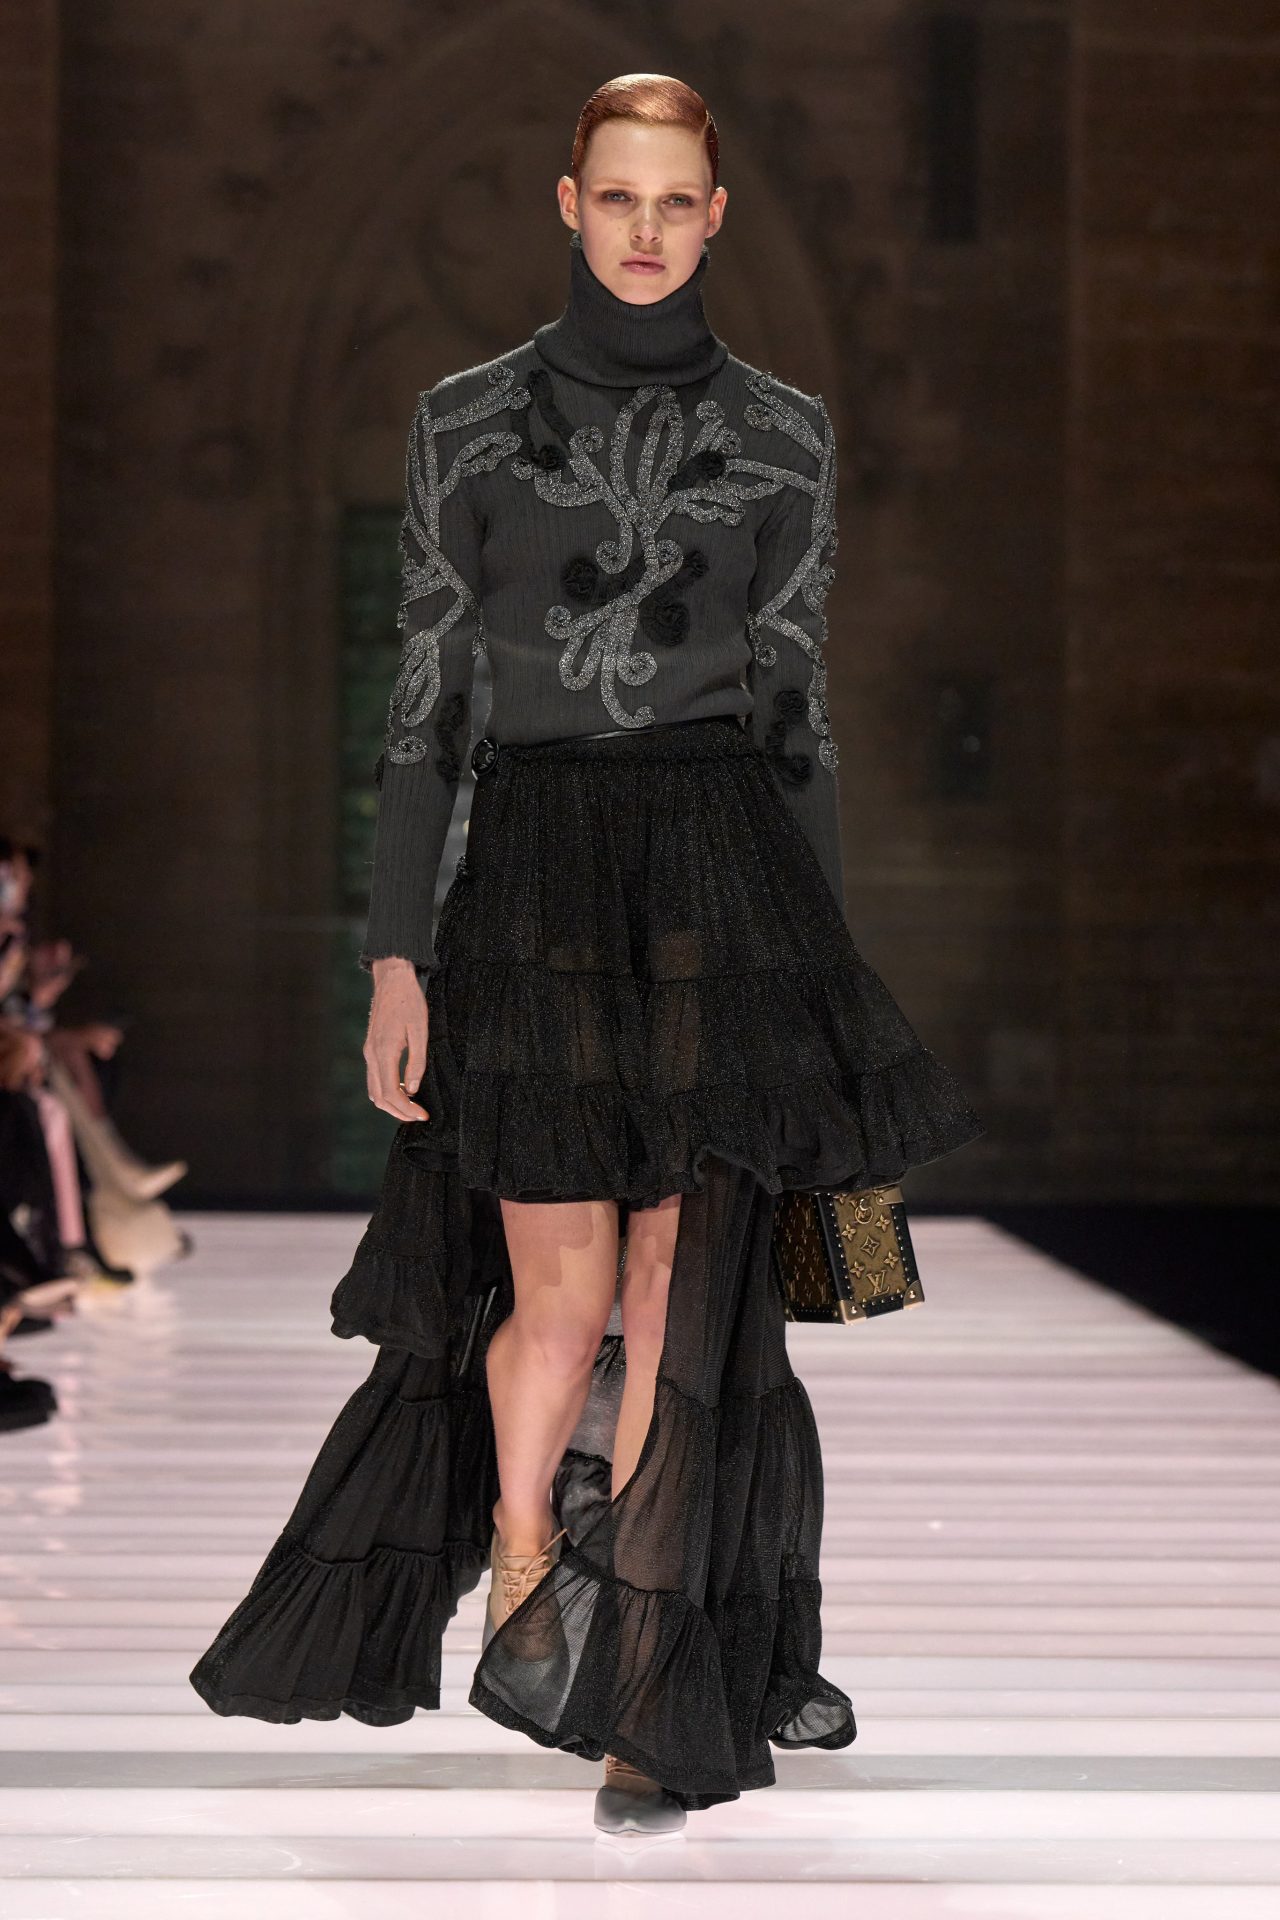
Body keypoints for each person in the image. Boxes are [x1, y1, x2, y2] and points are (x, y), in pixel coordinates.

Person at [190, 73, 984, 1836]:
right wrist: (395, 959)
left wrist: (822, 985)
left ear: (714, 216)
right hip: (537, 889)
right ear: (567, 205)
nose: (643, 228)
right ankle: (526, 1558)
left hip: (719, 881)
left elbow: (800, 720)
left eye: (674, 200)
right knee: (556, 1300)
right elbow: (422, 713)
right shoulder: (464, 424)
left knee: (675, 1299)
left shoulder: (783, 434)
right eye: (616, 196)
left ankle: (642, 1673)